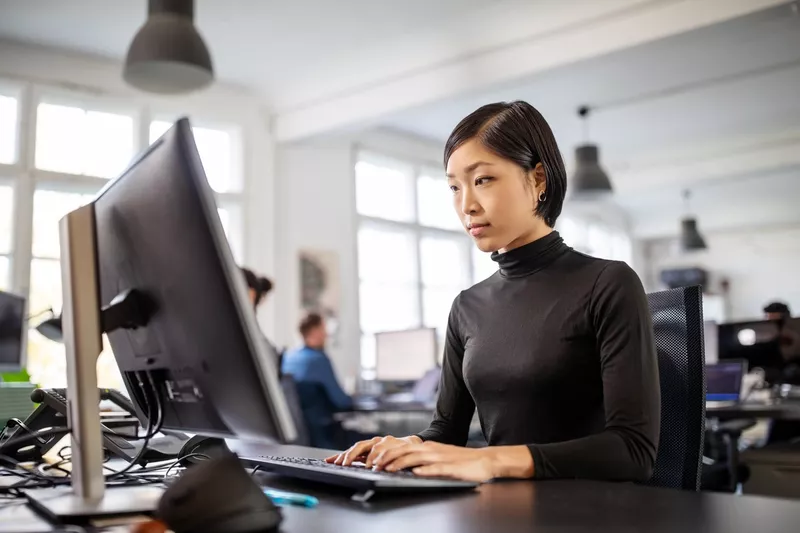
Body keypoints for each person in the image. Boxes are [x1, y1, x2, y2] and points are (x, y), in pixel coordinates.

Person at [328, 101, 660, 483]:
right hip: (499, 509)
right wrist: (406, 446)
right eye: (454, 187)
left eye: (482, 180)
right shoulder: (467, 306)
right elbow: (447, 431)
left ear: (538, 180)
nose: (466, 205)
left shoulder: (608, 283)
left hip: (588, 512)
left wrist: (492, 460)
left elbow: (633, 451)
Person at [282, 312, 356, 448]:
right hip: (323, 437)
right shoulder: (318, 359)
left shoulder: (288, 357)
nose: (327, 335)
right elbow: (342, 402)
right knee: (378, 437)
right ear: (315, 331)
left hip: (297, 436)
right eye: (323, 329)